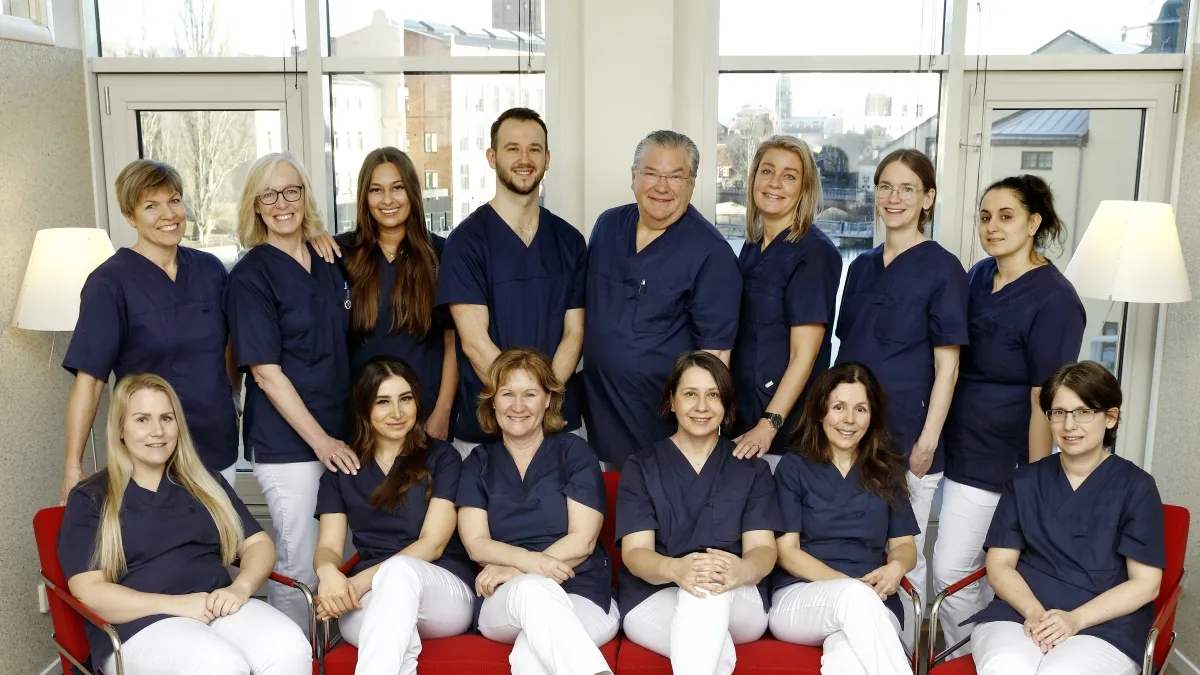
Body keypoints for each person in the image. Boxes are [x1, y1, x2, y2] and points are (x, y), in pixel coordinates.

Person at [58, 373, 311, 675]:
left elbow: (258, 543)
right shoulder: (92, 497)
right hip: (137, 627)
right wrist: (178, 605)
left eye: (167, 418)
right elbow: (89, 591)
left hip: (215, 605)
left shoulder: (205, 484)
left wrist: (240, 588)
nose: (158, 431)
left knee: (290, 646)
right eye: (142, 419)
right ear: (121, 429)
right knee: (219, 665)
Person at [933, 175, 1086, 655]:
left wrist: (1037, 481)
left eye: (1006, 216)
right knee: (974, 570)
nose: (992, 227)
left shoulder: (1055, 300)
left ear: (1034, 223)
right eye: (985, 217)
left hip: (1001, 458)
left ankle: (966, 656)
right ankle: (987, 652)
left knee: (951, 569)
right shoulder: (979, 275)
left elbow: (1047, 398)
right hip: (956, 444)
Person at [834, 148, 968, 626]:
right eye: (886, 187)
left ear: (927, 198)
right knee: (858, 546)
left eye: (907, 188)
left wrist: (927, 441)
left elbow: (948, 367)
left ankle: (909, 653)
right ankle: (864, 642)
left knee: (904, 556)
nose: (894, 198)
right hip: (852, 435)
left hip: (908, 438)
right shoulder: (861, 268)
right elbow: (847, 355)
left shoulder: (943, 269)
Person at [226, 152, 359, 632]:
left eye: (291, 191)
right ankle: (295, 656)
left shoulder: (329, 258)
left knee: (341, 554)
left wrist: (318, 232)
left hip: (343, 435)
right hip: (290, 447)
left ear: (305, 196)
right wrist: (321, 441)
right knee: (299, 560)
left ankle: (334, 653)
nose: (282, 203)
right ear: (255, 205)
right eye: (269, 195)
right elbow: (265, 373)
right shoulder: (250, 277)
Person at [966, 361, 1165, 675]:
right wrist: (1034, 613)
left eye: (1083, 412)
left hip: (1105, 625)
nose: (1069, 425)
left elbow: (1146, 584)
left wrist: (1075, 619)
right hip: (1019, 614)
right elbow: (999, 564)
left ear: (1110, 417)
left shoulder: (1136, 487)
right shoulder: (1024, 482)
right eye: (1059, 412)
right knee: (1006, 666)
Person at [61, 159, 240, 502]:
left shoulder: (210, 270)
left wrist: (232, 396)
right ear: (130, 217)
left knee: (224, 533)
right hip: (152, 450)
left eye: (174, 200)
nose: (168, 214)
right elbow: (90, 381)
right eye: (151, 206)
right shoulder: (109, 283)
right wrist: (73, 465)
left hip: (216, 442)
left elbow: (230, 340)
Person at [583, 130, 743, 466]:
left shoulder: (711, 254)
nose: (662, 186)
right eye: (652, 173)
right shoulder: (608, 226)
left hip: (663, 431)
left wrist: (697, 434)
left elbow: (715, 358)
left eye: (675, 177)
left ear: (692, 183)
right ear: (633, 177)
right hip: (600, 420)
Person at [617, 350, 782, 674]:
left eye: (713, 395)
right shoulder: (641, 467)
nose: (702, 406)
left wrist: (742, 570)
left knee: (707, 584)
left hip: (738, 596)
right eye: (690, 394)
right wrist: (676, 569)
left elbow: (763, 549)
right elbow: (635, 554)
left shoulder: (752, 469)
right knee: (710, 642)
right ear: (672, 401)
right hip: (654, 596)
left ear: (727, 404)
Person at [456, 348, 617, 675]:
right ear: (493, 402)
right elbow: (476, 544)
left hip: (581, 590)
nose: (518, 406)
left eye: (530, 394)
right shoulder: (478, 463)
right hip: (504, 597)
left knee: (532, 655)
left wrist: (515, 569)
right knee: (532, 590)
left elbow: (583, 541)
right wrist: (528, 570)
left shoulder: (575, 453)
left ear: (548, 400)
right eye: (507, 394)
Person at [435, 108, 586, 457]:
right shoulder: (466, 242)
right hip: (487, 431)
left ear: (547, 158)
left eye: (534, 149)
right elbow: (475, 343)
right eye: (512, 148)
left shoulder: (570, 241)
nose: (524, 159)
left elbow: (574, 333)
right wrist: (521, 406)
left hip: (559, 424)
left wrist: (541, 403)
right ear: (492, 157)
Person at [312, 356, 473, 674]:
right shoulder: (342, 468)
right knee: (393, 635)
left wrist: (357, 583)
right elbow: (329, 546)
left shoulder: (443, 457)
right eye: (383, 401)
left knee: (399, 574)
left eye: (405, 399)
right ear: (364, 408)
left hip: (443, 590)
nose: (397, 413)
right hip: (370, 595)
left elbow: (432, 544)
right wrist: (328, 573)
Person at [768, 363, 918, 675]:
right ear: (820, 411)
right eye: (839, 407)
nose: (849, 419)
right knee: (853, 599)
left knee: (847, 659)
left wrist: (896, 568)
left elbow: (904, 546)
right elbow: (787, 553)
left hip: (874, 599)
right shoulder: (794, 468)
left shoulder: (886, 470)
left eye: (860, 409)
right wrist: (851, 587)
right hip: (801, 595)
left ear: (872, 416)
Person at [730, 136, 843, 467]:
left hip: (783, 434)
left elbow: (804, 356)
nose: (775, 183)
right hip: (742, 421)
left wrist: (769, 425)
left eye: (789, 176)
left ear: (804, 188)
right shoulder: (752, 246)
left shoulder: (815, 254)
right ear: (753, 178)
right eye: (767, 171)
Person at [336, 148, 457, 442]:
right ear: (364, 197)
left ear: (412, 192)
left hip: (425, 417)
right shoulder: (341, 254)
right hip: (361, 422)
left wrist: (442, 412)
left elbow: (453, 343)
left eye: (397, 188)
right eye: (376, 190)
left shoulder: (442, 254)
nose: (387, 200)